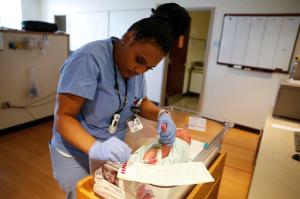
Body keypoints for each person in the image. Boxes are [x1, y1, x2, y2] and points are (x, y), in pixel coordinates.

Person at [49, 3, 190, 199]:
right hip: (76, 153)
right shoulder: (88, 59)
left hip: (112, 153)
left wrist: (161, 114)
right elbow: (63, 118)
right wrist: (96, 148)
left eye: (148, 68)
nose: (139, 71)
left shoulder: (135, 69)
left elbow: (140, 102)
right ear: (128, 37)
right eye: (139, 60)